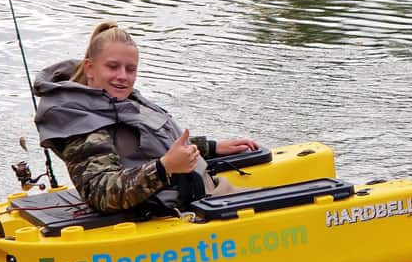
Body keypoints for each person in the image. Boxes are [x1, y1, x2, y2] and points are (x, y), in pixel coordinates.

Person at [32, 21, 258, 214]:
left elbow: (142, 147)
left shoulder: (115, 100)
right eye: (113, 67)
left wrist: (209, 147)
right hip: (185, 208)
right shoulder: (80, 120)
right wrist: (164, 168)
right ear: (90, 68)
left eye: (130, 69)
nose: (122, 76)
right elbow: (100, 192)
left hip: (207, 192)